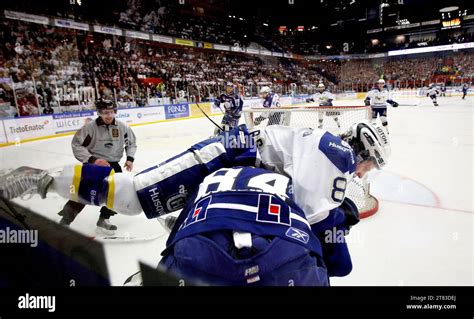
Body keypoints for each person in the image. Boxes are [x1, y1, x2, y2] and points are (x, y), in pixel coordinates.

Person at [0, 120, 390, 285]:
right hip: (228, 155)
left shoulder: (326, 152)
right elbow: (310, 221)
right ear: (362, 148)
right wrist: (338, 218)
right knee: (135, 195)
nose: (364, 172)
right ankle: (43, 179)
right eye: (370, 163)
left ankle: (186, 219)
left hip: (238, 172)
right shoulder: (336, 153)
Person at [57, 99, 137, 235]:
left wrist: (129, 159)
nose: (109, 115)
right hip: (93, 166)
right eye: (105, 112)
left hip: (113, 166)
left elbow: (132, 143)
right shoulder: (89, 128)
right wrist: (93, 160)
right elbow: (76, 145)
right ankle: (65, 221)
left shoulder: (123, 127)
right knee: (83, 194)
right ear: (99, 113)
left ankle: (103, 220)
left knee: (116, 195)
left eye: (111, 112)